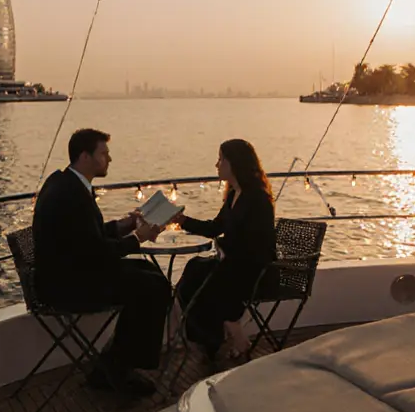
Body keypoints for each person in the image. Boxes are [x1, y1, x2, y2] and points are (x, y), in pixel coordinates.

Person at [32, 128, 170, 396]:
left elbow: (86, 237)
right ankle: (118, 370)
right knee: (151, 287)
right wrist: (138, 238)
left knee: (149, 273)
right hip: (68, 287)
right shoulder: (70, 195)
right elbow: (95, 251)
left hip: (69, 273)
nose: (110, 159)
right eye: (104, 153)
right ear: (85, 157)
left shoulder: (66, 184)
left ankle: (114, 365)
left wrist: (124, 225)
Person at [173, 139, 276, 362]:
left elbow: (257, 245)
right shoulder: (233, 195)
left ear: (234, 163)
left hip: (255, 270)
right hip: (233, 265)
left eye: (221, 159)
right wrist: (182, 220)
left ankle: (228, 331)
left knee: (207, 280)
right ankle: (210, 338)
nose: (217, 164)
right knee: (192, 272)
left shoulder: (257, 199)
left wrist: (224, 246)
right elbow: (215, 228)